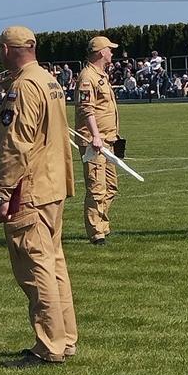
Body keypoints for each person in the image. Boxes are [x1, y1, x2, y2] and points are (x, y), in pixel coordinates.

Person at [0, 25, 77, 367]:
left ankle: (49, 345)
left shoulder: (23, 86)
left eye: (0, 49)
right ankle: (65, 339)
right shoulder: (48, 80)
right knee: (54, 264)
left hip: (31, 189)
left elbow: (14, 144)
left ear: (8, 50)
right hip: (52, 185)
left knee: (35, 268)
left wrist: (3, 193)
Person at [75, 35, 122, 245]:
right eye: (110, 49)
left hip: (108, 140)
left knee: (111, 186)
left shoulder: (101, 75)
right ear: (101, 52)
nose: (112, 53)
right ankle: (96, 233)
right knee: (96, 187)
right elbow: (86, 109)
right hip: (95, 142)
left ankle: (102, 224)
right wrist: (94, 135)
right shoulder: (87, 77)